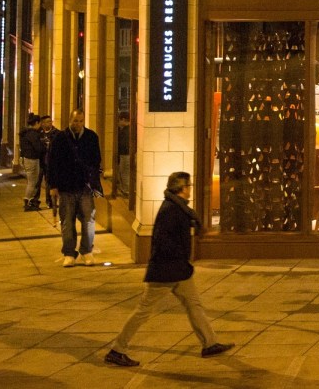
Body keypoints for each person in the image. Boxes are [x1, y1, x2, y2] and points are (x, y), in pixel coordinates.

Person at [104, 172, 233, 367]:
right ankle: (117, 350)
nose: (190, 189)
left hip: (178, 270)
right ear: (182, 188)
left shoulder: (177, 208)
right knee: (143, 311)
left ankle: (210, 343)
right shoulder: (171, 210)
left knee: (194, 305)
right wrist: (178, 260)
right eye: (188, 186)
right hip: (166, 271)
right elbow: (163, 242)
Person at [47, 109, 102, 267]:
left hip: (85, 186)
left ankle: (86, 250)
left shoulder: (91, 137)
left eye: (81, 121)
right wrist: (53, 185)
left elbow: (96, 160)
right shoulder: (60, 138)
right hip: (66, 186)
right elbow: (52, 163)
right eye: (75, 121)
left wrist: (92, 178)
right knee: (67, 221)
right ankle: (69, 253)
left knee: (88, 220)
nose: (78, 124)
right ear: (70, 120)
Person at [19, 113, 48, 211]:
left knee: (32, 182)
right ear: (36, 123)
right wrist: (45, 147)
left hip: (28, 158)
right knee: (32, 182)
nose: (40, 125)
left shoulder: (26, 133)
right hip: (32, 159)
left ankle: (30, 201)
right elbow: (38, 148)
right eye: (40, 123)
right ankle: (28, 202)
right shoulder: (33, 134)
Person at [114, 113, 132, 198]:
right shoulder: (130, 129)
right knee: (125, 172)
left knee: (124, 173)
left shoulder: (126, 131)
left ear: (123, 120)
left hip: (125, 155)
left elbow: (122, 144)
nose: (118, 123)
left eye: (119, 120)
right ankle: (125, 189)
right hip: (127, 154)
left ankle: (126, 191)